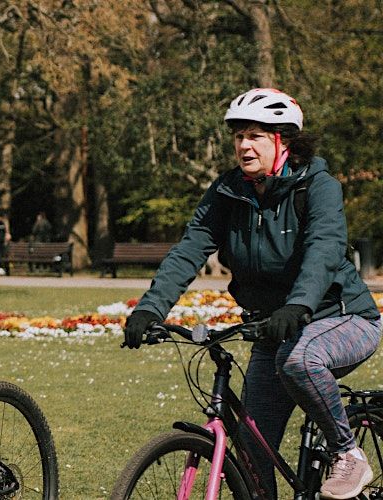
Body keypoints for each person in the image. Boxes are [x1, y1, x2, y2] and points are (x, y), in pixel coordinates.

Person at [121, 88, 380, 500]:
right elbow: (189, 249)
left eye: (256, 136)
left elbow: (324, 249)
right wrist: (149, 309)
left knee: (299, 360)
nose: (244, 145)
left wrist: (299, 304)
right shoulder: (228, 192)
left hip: (342, 318)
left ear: (284, 141)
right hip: (273, 331)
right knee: (252, 456)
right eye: (239, 136)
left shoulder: (318, 186)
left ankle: (347, 453)